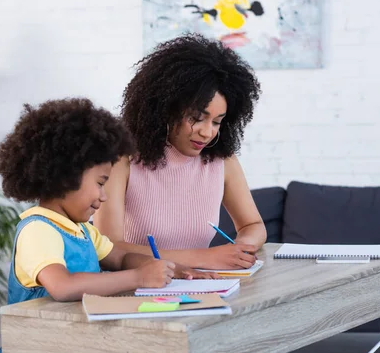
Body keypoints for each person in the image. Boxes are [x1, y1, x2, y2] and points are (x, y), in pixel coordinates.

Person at [0, 97, 202, 307]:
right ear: (66, 176)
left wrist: (167, 268)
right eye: (100, 183)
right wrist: (138, 278)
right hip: (40, 338)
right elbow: (63, 287)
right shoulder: (38, 230)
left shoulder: (83, 231)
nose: (104, 196)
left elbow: (120, 258)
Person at [93, 34, 267, 270]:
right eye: (197, 118)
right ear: (165, 109)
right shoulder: (122, 159)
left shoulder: (221, 161)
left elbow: (253, 225)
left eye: (217, 122)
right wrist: (203, 258)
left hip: (201, 286)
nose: (208, 133)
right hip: (136, 291)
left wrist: (242, 248)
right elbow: (108, 248)